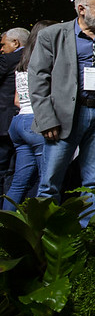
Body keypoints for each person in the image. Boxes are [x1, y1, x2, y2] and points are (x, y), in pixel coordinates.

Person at [29, 0, 95, 225]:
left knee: (94, 181)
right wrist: (46, 119)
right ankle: (43, 235)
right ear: (81, 9)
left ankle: (89, 233)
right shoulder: (52, 35)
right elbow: (38, 78)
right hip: (64, 116)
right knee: (50, 181)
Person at [3, 21, 55, 210]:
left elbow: (17, 100)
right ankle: (42, 224)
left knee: (19, 182)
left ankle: (5, 222)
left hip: (19, 122)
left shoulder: (22, 62)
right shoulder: (46, 61)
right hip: (37, 123)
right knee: (46, 180)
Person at [1, 27, 29, 195]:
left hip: (4, 123)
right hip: (25, 121)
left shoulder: (7, 59)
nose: (2, 49)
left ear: (15, 43)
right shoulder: (37, 57)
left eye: (3, 45)